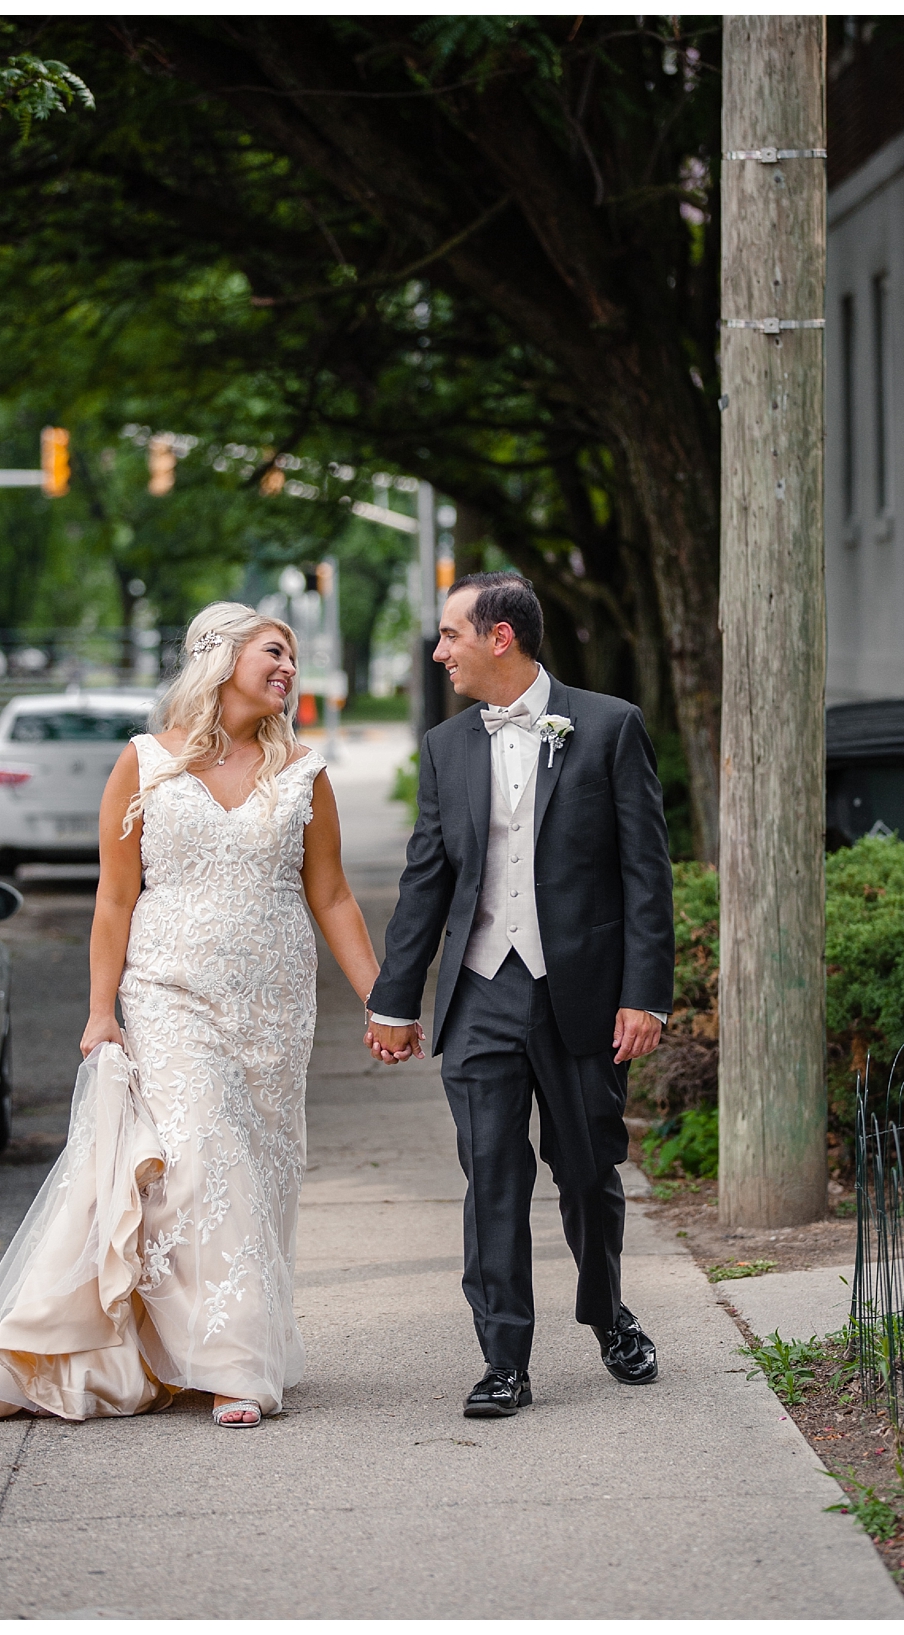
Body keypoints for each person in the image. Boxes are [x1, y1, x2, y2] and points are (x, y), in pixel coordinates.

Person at [0, 603, 385, 1434]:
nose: (288, 668)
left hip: (272, 1008)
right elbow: (115, 896)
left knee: (255, 1173)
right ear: (220, 658)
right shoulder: (142, 762)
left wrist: (380, 997)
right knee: (201, 1160)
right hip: (166, 993)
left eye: (291, 656)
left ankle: (194, 1343)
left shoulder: (303, 773)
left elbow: (331, 895)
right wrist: (100, 1010)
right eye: (274, 652)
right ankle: (231, 1367)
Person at [364, 572, 673, 1420]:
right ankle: (504, 1358)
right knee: (491, 1177)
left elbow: (646, 874)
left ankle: (609, 1314)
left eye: (450, 635)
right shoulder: (445, 746)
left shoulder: (608, 726)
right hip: (480, 997)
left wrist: (645, 994)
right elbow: (425, 881)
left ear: (500, 637)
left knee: (586, 1175)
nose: (440, 652)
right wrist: (393, 999)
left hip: (578, 995)